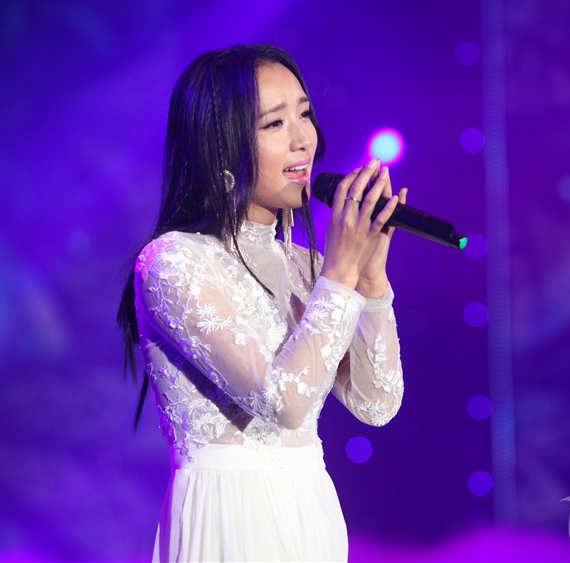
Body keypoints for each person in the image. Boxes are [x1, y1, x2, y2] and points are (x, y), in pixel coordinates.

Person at [116, 44, 406, 562]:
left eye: (305, 114)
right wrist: (340, 275)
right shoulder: (174, 262)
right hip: (230, 520)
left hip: (309, 515)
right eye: (274, 124)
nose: (303, 139)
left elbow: (376, 404)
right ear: (221, 149)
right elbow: (283, 402)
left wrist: (369, 279)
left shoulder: (310, 268)